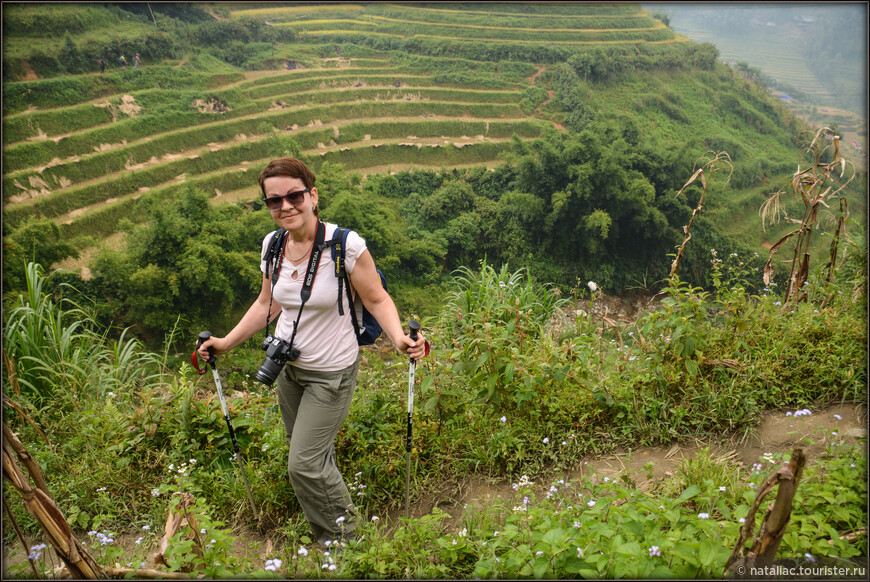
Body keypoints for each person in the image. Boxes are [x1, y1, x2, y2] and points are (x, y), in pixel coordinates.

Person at [196, 157, 428, 547]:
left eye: (294, 195)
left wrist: (398, 338)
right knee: (311, 456)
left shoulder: (344, 245)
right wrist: (226, 342)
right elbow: (267, 304)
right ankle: (333, 521)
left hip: (331, 373)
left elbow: (377, 298)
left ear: (313, 195)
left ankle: (344, 541)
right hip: (289, 370)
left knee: (303, 464)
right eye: (274, 201)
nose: (285, 206)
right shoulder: (273, 246)